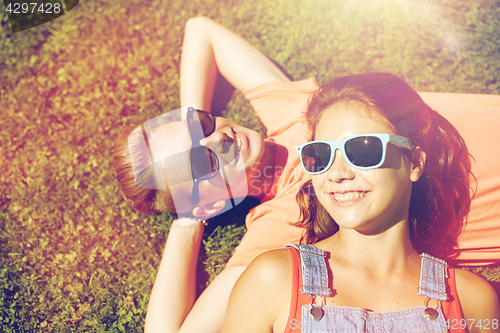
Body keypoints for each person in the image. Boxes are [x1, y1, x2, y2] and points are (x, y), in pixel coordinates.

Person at [111, 17, 500, 333]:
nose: (220, 138)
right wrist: (189, 219)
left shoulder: (291, 111)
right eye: (203, 163)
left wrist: (190, 140)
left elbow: (201, 31)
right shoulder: (280, 226)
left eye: (202, 124)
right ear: (208, 202)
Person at [220, 73, 500, 333]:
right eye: (321, 154)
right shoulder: (272, 279)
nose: (338, 173)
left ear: (414, 162)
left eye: (364, 150)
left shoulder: (471, 300)